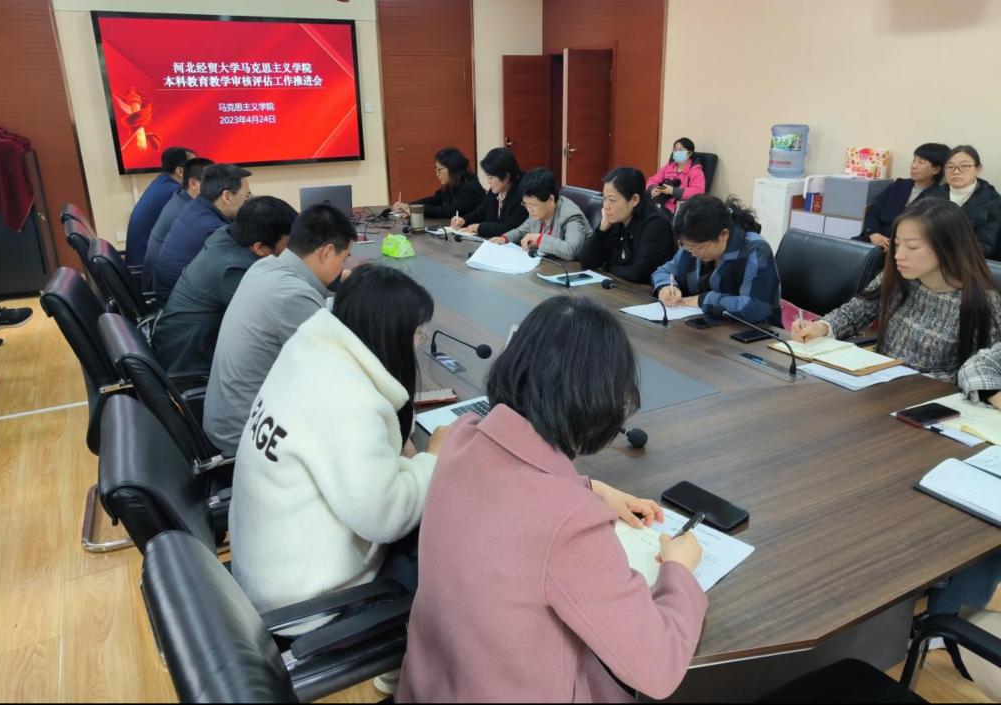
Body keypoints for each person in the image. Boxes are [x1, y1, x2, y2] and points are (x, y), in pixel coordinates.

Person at [397, 295, 707, 702]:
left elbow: (511, 495)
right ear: (601, 399)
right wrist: (679, 571)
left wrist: (592, 489)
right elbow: (659, 666)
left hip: (430, 686)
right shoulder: (569, 524)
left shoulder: (460, 439)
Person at [231, 264, 448, 635]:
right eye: (417, 332)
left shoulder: (309, 350)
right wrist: (433, 460)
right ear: (391, 333)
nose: (419, 341)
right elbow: (386, 516)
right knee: (453, 557)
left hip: (263, 573)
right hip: (308, 607)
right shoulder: (349, 403)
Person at [204, 204, 356, 457]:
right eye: (345, 258)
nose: (344, 266)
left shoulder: (264, 267)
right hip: (249, 437)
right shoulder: (293, 296)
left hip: (229, 418)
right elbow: (336, 374)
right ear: (327, 252)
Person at [793, 198, 1001, 381]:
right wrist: (822, 327)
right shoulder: (898, 277)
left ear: (948, 246)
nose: (898, 255)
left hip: (926, 400)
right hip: (876, 384)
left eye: (912, 247)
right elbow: (855, 312)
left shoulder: (983, 302)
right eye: (897, 245)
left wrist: (910, 382)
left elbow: (983, 373)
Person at [152, 196, 297, 375]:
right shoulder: (234, 270)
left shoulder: (226, 235)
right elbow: (274, 323)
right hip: (189, 367)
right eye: (289, 244)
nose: (294, 250)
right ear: (259, 248)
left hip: (179, 348)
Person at [652, 194, 781, 325]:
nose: (693, 253)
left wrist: (705, 300)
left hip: (752, 332)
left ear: (723, 235)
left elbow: (756, 307)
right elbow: (663, 272)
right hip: (703, 327)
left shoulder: (755, 250)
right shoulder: (692, 245)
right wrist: (665, 286)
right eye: (688, 247)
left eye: (699, 247)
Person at [153, 163, 252, 303]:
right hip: (183, 306)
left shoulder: (194, 207)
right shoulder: (214, 230)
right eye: (247, 196)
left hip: (171, 297)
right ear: (227, 196)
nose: (249, 202)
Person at [579, 166, 676, 283]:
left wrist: (607, 265)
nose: (606, 206)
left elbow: (637, 274)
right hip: (618, 286)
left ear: (634, 200)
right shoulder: (615, 218)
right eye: (604, 199)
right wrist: (601, 230)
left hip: (644, 292)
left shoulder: (656, 224)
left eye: (612, 200)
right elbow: (586, 261)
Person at [856, 143, 949, 251]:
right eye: (914, 160)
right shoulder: (899, 185)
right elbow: (873, 211)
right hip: (875, 238)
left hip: (901, 247)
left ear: (936, 169)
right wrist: (873, 233)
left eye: (921, 162)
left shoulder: (938, 197)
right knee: (848, 248)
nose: (914, 166)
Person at [142, 156, 214, 292]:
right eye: (211, 182)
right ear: (193, 184)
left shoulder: (180, 197)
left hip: (157, 281)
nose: (218, 187)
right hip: (164, 290)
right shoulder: (187, 212)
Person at [491, 168, 591, 261]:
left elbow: (571, 250)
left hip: (571, 269)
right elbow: (522, 230)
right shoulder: (537, 211)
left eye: (533, 205)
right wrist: (504, 238)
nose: (529, 210)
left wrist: (539, 239)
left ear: (550, 199)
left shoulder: (571, 216)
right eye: (526, 204)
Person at [924, 145, 1001, 259]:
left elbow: (986, 246)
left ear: (978, 169)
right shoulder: (932, 195)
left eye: (964, 166)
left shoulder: (992, 201)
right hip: (929, 255)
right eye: (950, 167)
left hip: (967, 261)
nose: (956, 171)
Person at [125, 146, 194, 266]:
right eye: (194, 167)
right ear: (180, 171)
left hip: (141, 259)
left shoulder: (161, 182)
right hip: (146, 267)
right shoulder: (175, 192)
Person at [449, 147, 527, 238]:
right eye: (487, 177)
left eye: (491, 178)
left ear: (506, 176)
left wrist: (478, 227)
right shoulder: (496, 189)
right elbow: (480, 212)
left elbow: (507, 228)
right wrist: (464, 220)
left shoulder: (523, 194)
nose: (488, 182)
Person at [393, 147, 484, 219]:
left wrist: (419, 210)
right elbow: (436, 199)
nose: (437, 174)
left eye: (439, 170)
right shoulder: (453, 183)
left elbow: (450, 212)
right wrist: (409, 205)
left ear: (452, 167)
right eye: (436, 170)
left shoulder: (470, 188)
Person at [646, 137, 706, 215]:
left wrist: (673, 191)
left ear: (690, 153)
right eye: (675, 150)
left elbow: (698, 191)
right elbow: (653, 180)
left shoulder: (695, 170)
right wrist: (652, 188)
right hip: (660, 203)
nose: (677, 152)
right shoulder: (668, 167)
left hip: (679, 209)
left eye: (680, 150)